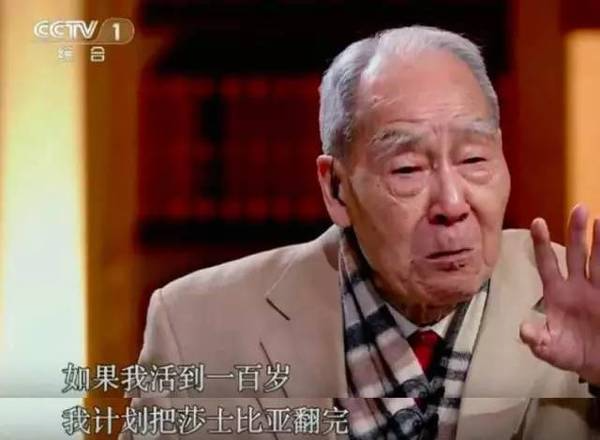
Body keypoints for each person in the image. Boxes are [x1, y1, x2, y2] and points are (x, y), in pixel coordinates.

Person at [123, 26, 600, 439]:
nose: (453, 205)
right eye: (408, 169)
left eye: (474, 160)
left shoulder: (584, 303)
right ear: (336, 188)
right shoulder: (196, 323)